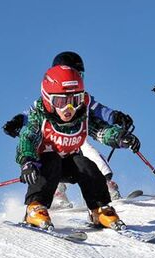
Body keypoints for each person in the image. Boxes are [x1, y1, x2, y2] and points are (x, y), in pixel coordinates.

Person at [16, 65, 140, 230]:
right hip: (43, 165)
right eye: (61, 102)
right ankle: (35, 207)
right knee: (52, 160)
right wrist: (27, 161)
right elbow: (27, 138)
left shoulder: (82, 116)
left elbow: (102, 131)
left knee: (86, 165)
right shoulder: (40, 117)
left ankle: (98, 209)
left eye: (75, 101)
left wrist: (120, 137)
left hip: (68, 164)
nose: (69, 109)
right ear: (48, 99)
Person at [3, 51, 134, 207]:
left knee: (86, 159)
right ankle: (54, 194)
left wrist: (116, 120)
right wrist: (17, 121)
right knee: (50, 160)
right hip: (49, 145)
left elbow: (99, 113)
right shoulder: (46, 102)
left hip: (76, 134)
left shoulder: (83, 99)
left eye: (79, 75)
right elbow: (31, 117)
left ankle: (104, 188)